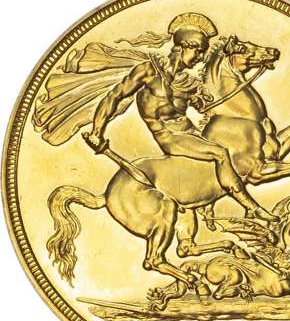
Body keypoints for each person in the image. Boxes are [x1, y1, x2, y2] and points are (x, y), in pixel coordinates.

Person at [85, 12, 277, 221]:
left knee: (235, 153)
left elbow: (206, 107)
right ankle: (251, 207)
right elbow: (114, 96)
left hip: (192, 133)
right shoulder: (149, 71)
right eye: (198, 51)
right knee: (220, 153)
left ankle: (207, 203)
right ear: (184, 46)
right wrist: (97, 131)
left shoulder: (187, 82)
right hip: (170, 137)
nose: (200, 58)